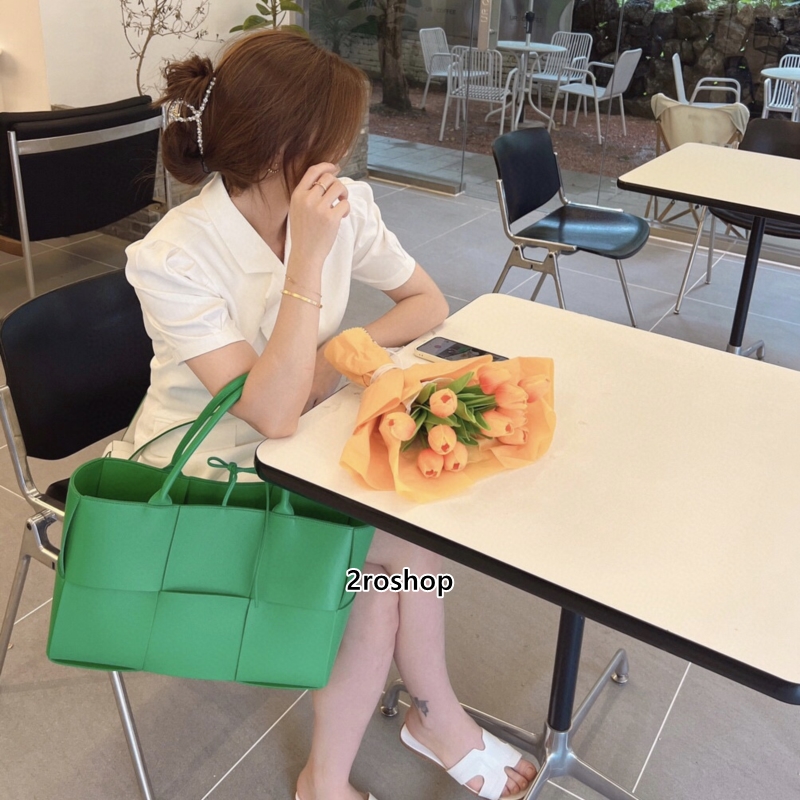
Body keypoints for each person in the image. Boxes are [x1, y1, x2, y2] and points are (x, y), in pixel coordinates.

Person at [125, 29, 537, 800]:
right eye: (336, 140)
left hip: (300, 445)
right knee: (375, 578)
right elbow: (270, 414)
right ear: (282, 145)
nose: (345, 157)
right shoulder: (174, 255)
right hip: (201, 477)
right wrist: (308, 261)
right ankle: (379, 750)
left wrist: (327, 362)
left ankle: (422, 721)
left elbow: (426, 303)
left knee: (416, 535)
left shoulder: (344, 208)